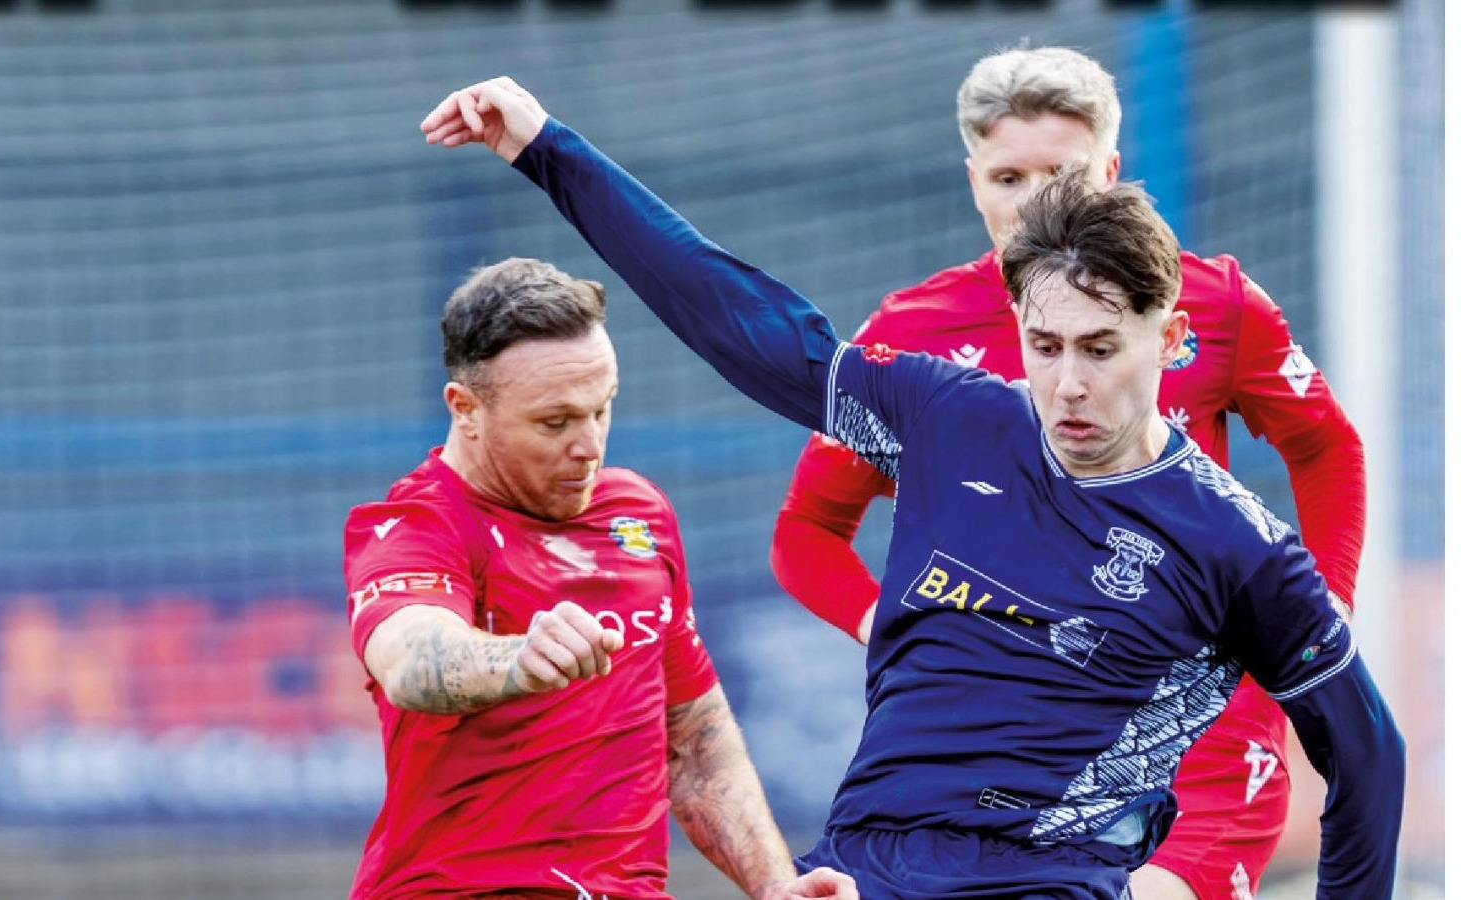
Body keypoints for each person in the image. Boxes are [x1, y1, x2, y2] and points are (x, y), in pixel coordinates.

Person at [419, 79, 1404, 900]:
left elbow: (1367, 757)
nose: (1066, 384)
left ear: (1173, 340)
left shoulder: (1236, 543)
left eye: (1101, 350)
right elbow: (742, 316)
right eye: (1044, 345)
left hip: (1049, 880)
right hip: (862, 867)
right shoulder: (945, 414)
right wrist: (551, 149)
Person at [766, 47, 1365, 900]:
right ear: (974, 178)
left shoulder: (1212, 303)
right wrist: (896, 629)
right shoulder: (909, 334)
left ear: (1112, 173)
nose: (1034, 203)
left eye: (1064, 175)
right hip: (998, 761)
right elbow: (807, 532)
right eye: (1009, 177)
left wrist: (1329, 607)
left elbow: (1327, 445)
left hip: (1202, 735)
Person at [342, 257, 859, 900]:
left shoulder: (639, 515)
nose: (589, 444)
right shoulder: (418, 521)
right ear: (465, 408)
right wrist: (517, 658)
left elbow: (694, 744)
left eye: (602, 408)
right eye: (554, 422)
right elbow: (411, 659)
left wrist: (778, 886)